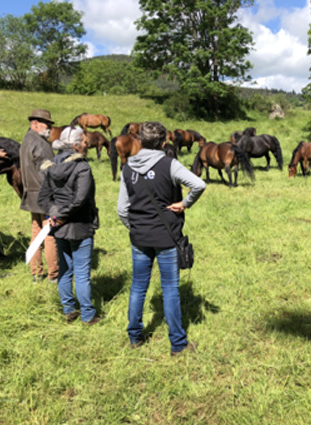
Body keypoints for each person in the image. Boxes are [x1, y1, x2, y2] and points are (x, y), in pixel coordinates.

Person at [117, 121, 206, 355]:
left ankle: (134, 337)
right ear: (164, 142)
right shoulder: (170, 164)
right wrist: (184, 204)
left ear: (139, 141)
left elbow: (121, 210)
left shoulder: (127, 168)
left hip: (139, 238)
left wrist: (135, 227)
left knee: (138, 287)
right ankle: (178, 344)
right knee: (170, 289)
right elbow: (199, 184)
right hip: (167, 237)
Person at [38, 127, 101, 325]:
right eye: (83, 141)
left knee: (65, 269)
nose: (87, 144)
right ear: (74, 145)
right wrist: (62, 216)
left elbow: (43, 198)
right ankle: (88, 315)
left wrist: (55, 214)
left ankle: (69, 309)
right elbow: (80, 199)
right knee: (82, 272)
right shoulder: (82, 167)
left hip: (59, 226)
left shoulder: (50, 166)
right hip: (80, 224)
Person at [20, 108, 58, 283]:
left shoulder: (26, 140)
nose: (49, 128)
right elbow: (50, 173)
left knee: (36, 234)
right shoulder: (41, 144)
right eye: (47, 124)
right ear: (35, 124)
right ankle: (54, 275)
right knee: (50, 235)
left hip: (31, 194)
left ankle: (36, 273)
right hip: (44, 196)